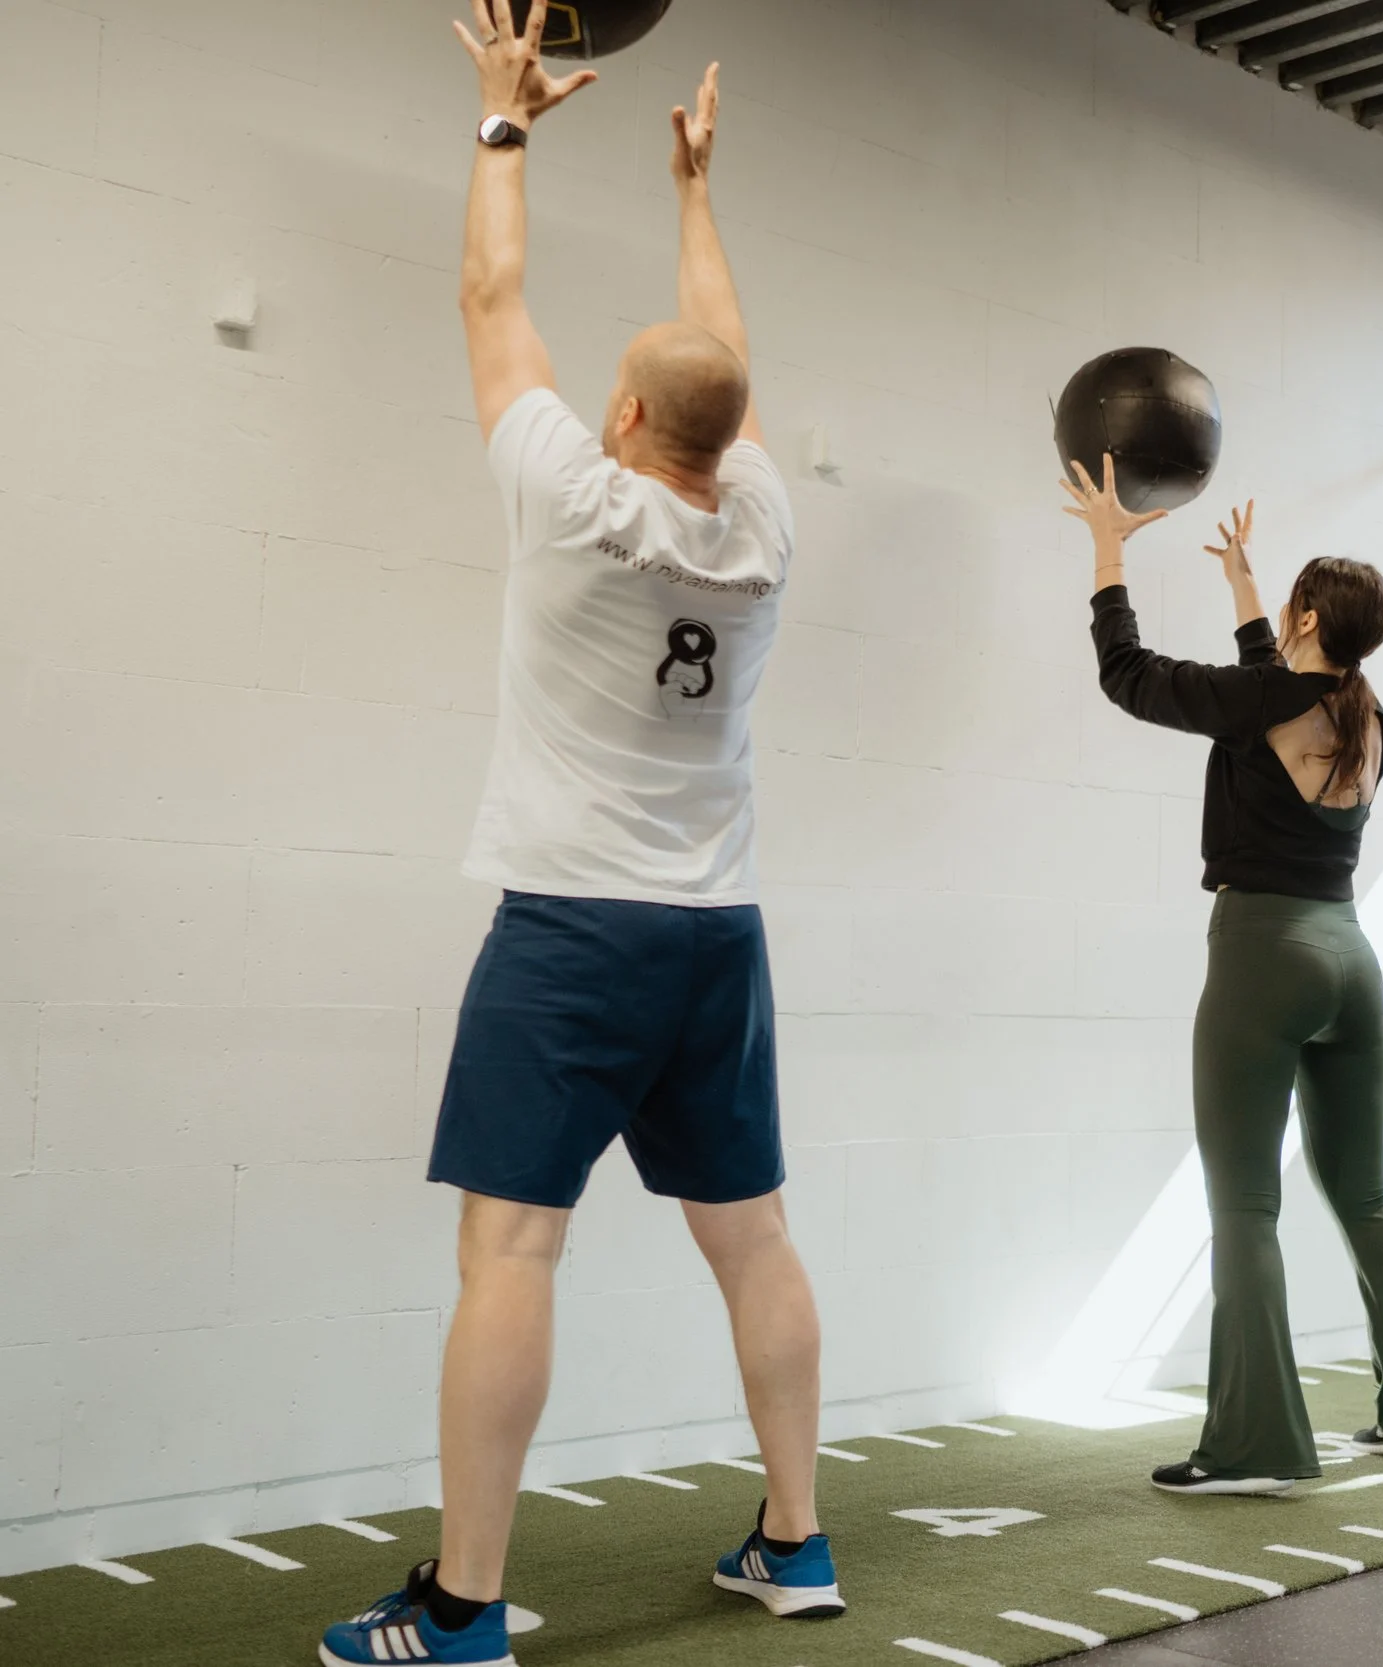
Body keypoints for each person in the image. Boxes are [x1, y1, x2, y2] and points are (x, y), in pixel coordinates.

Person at [321, 9, 833, 1663]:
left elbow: (489, 302)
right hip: (717, 934)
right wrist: (696, 198)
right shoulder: (758, 531)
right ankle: (797, 1539)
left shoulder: (570, 492)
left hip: (572, 930)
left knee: (510, 1245)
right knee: (750, 1232)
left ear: (619, 416)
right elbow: (724, 355)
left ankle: (464, 1605)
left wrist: (502, 122)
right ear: (716, 440)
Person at [1063, 461, 1383, 1494]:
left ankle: (1254, 1444)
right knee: (1363, 1194)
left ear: (1308, 614)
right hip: (1349, 959)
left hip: (1261, 953)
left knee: (1244, 1206)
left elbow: (1130, 675)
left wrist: (1108, 550)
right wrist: (1245, 588)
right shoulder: (1367, 713)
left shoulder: (1266, 699)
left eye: (1287, 601)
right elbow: (1269, 689)